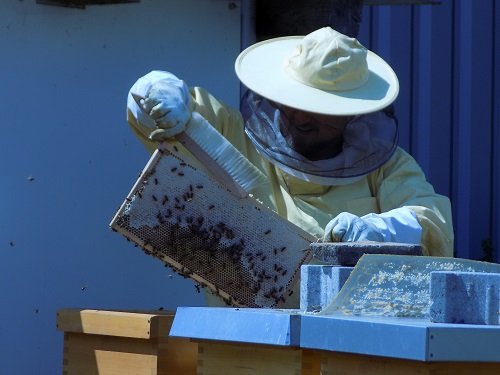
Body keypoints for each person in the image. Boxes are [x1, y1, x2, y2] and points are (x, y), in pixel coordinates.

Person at [126, 27, 454, 306]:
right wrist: (157, 93)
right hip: (237, 340)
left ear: (351, 111)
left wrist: (376, 232)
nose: (299, 117)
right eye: (295, 102)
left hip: (338, 345)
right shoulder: (232, 136)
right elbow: (165, 117)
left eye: (318, 108)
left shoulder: (387, 168)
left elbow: (432, 221)